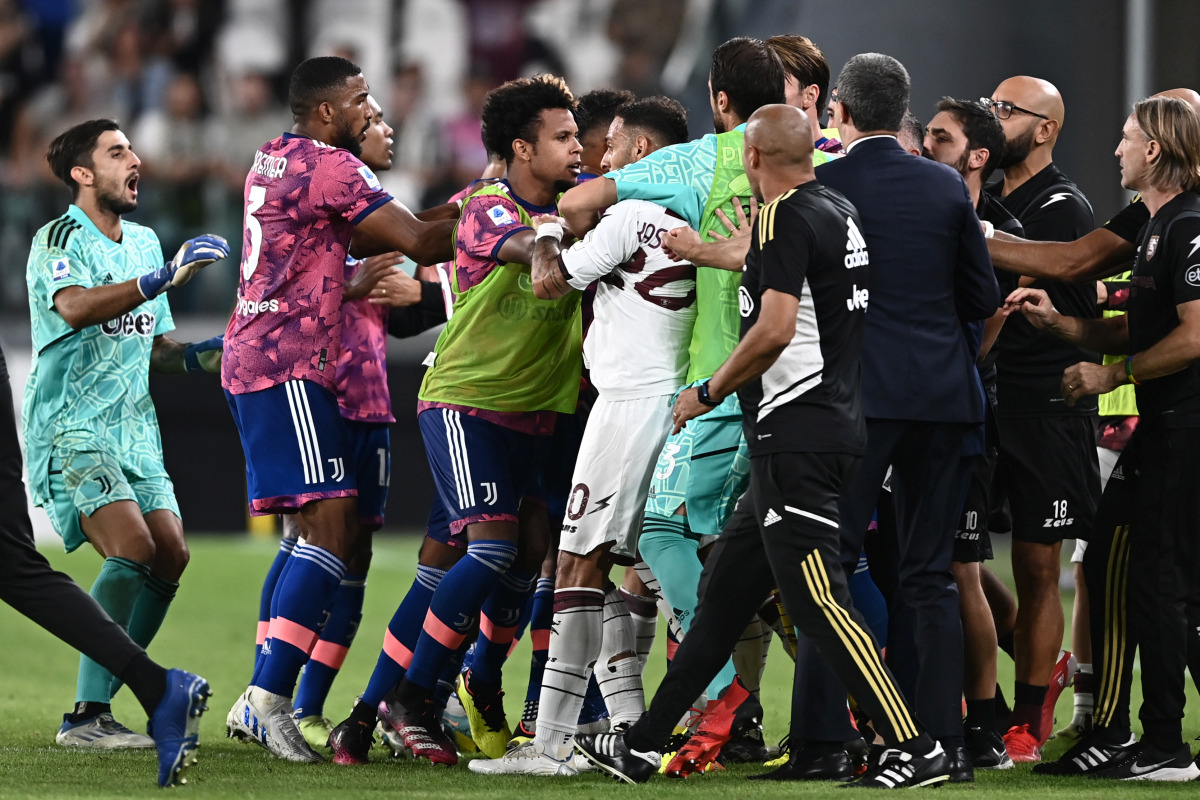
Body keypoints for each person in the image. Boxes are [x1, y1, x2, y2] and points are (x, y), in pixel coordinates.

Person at [576, 103, 947, 789]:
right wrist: (698, 251)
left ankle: (915, 746)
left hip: (796, 435)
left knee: (819, 603)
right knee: (720, 603)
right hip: (822, 427)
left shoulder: (781, 217)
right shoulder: (832, 208)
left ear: (753, 159)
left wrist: (709, 390)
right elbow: (773, 268)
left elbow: (775, 326)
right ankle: (643, 746)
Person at [331, 73, 584, 768]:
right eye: (564, 137)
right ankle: (415, 697)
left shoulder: (579, 203)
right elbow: (510, 243)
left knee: (510, 556)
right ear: (519, 149)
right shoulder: (489, 207)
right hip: (469, 405)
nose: (580, 149)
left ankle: (378, 711)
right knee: (491, 552)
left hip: (539, 414)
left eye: (581, 136)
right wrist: (545, 253)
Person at [222, 55, 456, 763]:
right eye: (360, 99)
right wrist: (499, 210)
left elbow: (313, 243)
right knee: (328, 527)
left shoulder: (272, 156)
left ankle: (272, 699)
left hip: (266, 354)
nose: (371, 107)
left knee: (331, 526)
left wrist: (341, 282)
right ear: (327, 112)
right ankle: (267, 700)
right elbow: (416, 240)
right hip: (287, 363)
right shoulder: (335, 166)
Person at [788, 53, 1000, 783]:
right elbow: (980, 295)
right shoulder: (945, 186)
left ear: (838, 111)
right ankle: (943, 745)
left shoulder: (823, 185)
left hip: (857, 405)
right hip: (945, 401)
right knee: (929, 576)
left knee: (830, 566)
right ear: (902, 111)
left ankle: (823, 744)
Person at [469, 95, 695, 776]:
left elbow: (547, 283)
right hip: (665, 397)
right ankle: (628, 726)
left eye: (617, 144)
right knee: (635, 569)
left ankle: (551, 744)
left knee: (578, 563)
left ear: (646, 153)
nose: (602, 157)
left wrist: (543, 231)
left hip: (627, 404)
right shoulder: (688, 215)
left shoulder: (628, 215)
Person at [1004, 95, 1200, 781]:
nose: (1116, 148)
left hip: (1185, 428)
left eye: (1125, 137)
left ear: (1153, 150)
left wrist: (1110, 373)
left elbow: (1195, 335)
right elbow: (1136, 325)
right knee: (1123, 562)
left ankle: (1165, 747)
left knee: (1163, 584)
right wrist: (1063, 329)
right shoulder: (1155, 224)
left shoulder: (1188, 224)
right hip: (1163, 426)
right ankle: (1117, 731)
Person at [22, 117, 226, 752]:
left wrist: (206, 355)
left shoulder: (142, 241)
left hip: (135, 427)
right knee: (131, 548)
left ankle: (108, 704)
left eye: (133, 148)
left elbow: (157, 348)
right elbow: (78, 307)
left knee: (172, 554)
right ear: (83, 174)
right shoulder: (57, 238)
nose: (134, 159)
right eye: (117, 152)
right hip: (71, 424)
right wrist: (162, 277)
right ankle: (85, 716)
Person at [238, 95, 411, 751]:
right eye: (371, 124)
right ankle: (274, 695)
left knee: (350, 554)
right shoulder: (333, 217)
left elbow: (413, 305)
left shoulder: (357, 224)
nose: (383, 131)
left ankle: (293, 701)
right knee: (320, 535)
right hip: (324, 392)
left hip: (368, 399)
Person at [981, 76, 1098, 762]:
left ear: (1044, 128)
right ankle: (1027, 671)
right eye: (989, 105)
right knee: (954, 559)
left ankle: (1026, 717)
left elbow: (1085, 310)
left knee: (1033, 560)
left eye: (1007, 109)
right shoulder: (984, 196)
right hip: (983, 397)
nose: (994, 119)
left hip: (1044, 403)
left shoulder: (1063, 208)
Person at [922, 96, 1021, 771]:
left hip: (963, 411)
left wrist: (945, 368)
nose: (927, 144)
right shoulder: (933, 211)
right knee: (958, 566)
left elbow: (988, 328)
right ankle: (991, 709)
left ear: (977, 155)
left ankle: (985, 723)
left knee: (962, 567)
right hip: (927, 408)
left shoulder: (999, 231)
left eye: (940, 136)